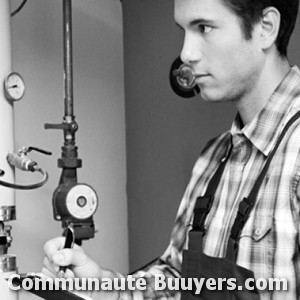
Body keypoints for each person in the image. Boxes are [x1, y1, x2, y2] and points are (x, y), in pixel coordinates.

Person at [42, 0, 300, 299]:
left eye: (204, 27)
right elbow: (177, 279)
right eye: (184, 31)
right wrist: (104, 288)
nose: (186, 54)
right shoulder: (214, 157)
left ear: (266, 28)